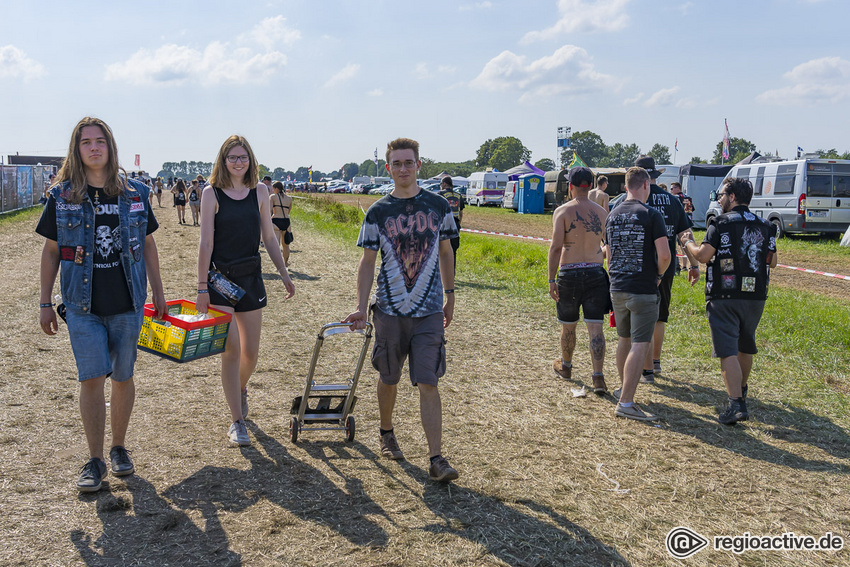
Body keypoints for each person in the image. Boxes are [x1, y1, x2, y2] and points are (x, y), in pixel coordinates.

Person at [36, 116, 167, 492]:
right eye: (85, 142)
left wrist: (158, 291)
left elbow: (149, 244)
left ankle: (119, 448)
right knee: (91, 377)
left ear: (110, 146)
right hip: (81, 305)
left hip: (128, 302)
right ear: (76, 150)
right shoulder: (63, 196)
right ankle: (94, 460)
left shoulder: (136, 193)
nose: (94, 147)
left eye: (100, 141)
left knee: (123, 376)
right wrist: (46, 302)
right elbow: (50, 253)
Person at [343, 137, 459, 482]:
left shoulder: (439, 206)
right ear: (388, 167)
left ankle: (436, 458)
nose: (403, 169)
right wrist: (361, 307)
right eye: (397, 163)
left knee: (429, 381)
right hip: (390, 311)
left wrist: (450, 296)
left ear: (418, 166)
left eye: (409, 163)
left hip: (428, 312)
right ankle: (386, 431)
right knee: (388, 377)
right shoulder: (377, 212)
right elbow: (367, 263)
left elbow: (446, 253)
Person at [196, 135, 295, 446]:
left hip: (251, 279)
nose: (238, 162)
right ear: (222, 160)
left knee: (250, 354)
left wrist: (284, 273)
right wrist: (201, 286)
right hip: (220, 282)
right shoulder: (211, 193)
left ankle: (239, 389)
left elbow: (268, 237)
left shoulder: (261, 192)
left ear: (250, 160)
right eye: (232, 157)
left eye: (243, 157)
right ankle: (236, 420)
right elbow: (206, 243)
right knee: (231, 350)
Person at [684, 177, 778, 424]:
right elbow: (773, 261)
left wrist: (688, 244)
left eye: (722, 194)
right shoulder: (765, 225)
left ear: (733, 196)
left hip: (724, 295)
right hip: (756, 295)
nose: (719, 198)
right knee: (745, 345)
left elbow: (704, 256)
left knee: (727, 350)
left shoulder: (720, 223)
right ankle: (741, 393)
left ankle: (736, 405)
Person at [604, 167, 670, 421]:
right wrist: (659, 276)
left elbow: (609, 253)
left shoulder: (613, 214)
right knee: (641, 343)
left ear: (625, 187)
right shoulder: (651, 215)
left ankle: (623, 388)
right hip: (643, 286)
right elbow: (664, 256)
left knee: (624, 340)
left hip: (617, 285)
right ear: (646, 186)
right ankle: (626, 401)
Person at [634, 156, 699, 382]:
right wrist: (693, 263)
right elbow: (685, 235)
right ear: (655, 176)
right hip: (667, 265)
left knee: (640, 317)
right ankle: (656, 361)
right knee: (660, 317)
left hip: (638, 266)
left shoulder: (632, 198)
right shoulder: (673, 201)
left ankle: (644, 366)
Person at [548, 167, 611, 394]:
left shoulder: (563, 211)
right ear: (590, 185)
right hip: (595, 272)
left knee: (569, 326)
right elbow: (608, 247)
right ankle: (598, 377)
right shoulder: (602, 213)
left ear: (571, 186)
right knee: (596, 327)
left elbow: (556, 247)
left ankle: (566, 367)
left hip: (570, 273)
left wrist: (550, 279)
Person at [438, 176, 464, 270]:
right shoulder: (458, 195)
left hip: (443, 225)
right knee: (453, 251)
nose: (440, 186)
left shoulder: (440, 194)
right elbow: (461, 213)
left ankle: (442, 273)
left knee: (441, 250)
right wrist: (458, 225)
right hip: (455, 224)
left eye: (441, 184)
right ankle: (452, 273)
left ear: (444, 184)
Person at [270, 181, 293, 265]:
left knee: (276, 245)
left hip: (276, 220)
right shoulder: (289, 198)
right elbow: (288, 211)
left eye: (273, 189)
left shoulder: (273, 197)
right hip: (286, 221)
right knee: (286, 245)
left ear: (276, 188)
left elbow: (270, 210)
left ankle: (278, 265)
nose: (273, 190)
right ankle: (286, 262)